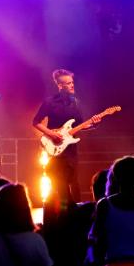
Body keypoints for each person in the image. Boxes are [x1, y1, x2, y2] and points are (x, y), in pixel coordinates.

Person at [32, 69, 100, 203]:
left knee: (74, 183)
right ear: (60, 86)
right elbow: (36, 122)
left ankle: (78, 210)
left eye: (72, 82)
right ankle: (63, 212)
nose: (72, 85)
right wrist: (51, 133)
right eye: (68, 83)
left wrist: (94, 124)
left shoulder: (76, 103)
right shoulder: (49, 102)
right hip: (54, 150)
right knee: (59, 185)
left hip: (70, 151)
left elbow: (80, 126)